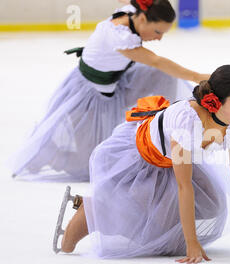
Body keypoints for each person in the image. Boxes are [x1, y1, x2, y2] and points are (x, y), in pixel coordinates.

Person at [53, 65, 230, 264]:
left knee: (212, 208)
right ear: (215, 102)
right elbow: (184, 186)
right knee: (154, 229)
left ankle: (110, 208)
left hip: (176, 160)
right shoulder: (188, 122)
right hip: (143, 159)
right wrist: (191, 242)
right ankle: (93, 209)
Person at [10, 0, 208, 181]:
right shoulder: (119, 37)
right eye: (157, 31)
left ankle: (162, 127)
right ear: (142, 18)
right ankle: (46, 151)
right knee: (85, 166)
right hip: (90, 94)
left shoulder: (130, 10)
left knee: (164, 75)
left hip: (118, 81)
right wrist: (198, 76)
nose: (159, 38)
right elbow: (156, 60)